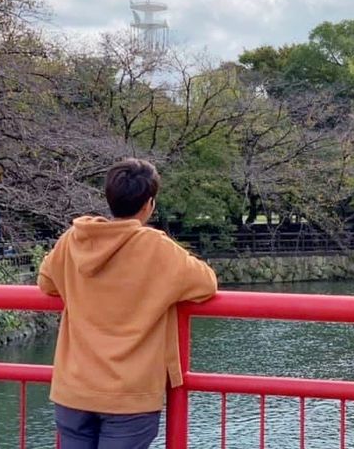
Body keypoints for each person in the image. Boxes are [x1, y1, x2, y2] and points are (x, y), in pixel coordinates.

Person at [37, 158, 218, 449]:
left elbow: (46, 281)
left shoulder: (74, 239)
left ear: (109, 199)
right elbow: (206, 283)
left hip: (74, 388)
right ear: (149, 204)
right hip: (129, 395)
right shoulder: (157, 248)